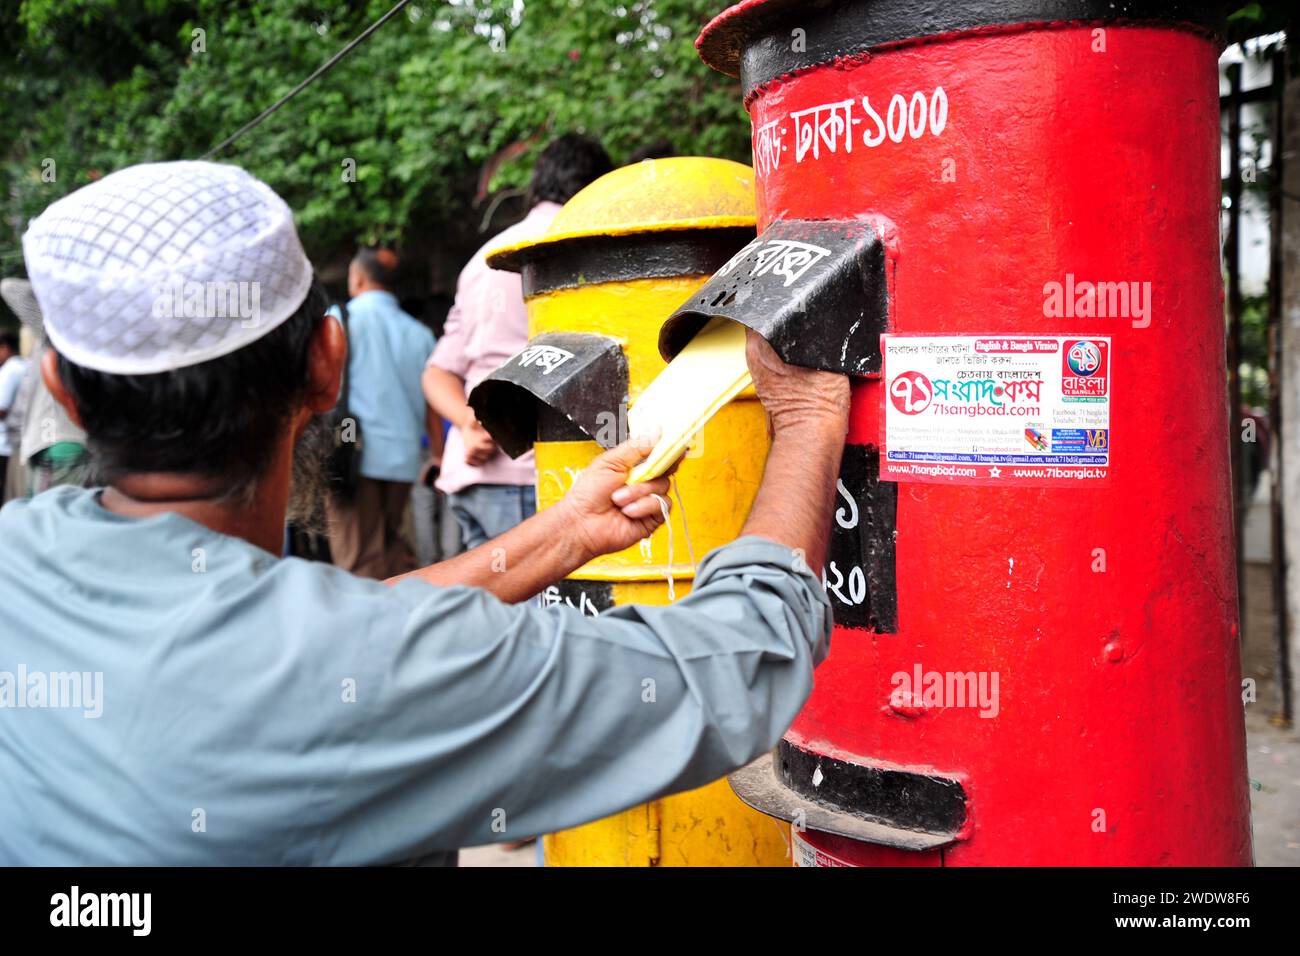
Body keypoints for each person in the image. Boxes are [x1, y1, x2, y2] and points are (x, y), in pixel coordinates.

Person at [0, 160, 848, 865]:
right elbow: (750, 659)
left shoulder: (19, 557)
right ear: (329, 364)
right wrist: (807, 417)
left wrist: (559, 534)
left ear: (61, 397)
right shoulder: (369, 676)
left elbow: (348, 633)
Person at [423, 134, 611, 549]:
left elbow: (438, 372)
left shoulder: (483, 258)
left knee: (487, 609)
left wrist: (469, 424)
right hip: (531, 477)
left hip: (471, 477)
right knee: (540, 610)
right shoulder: (583, 243)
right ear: (598, 186)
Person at [325, 247, 437, 579]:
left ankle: (366, 627)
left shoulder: (339, 319)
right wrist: (437, 455)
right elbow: (432, 400)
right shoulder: (419, 333)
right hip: (403, 459)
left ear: (357, 279)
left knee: (356, 558)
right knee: (392, 550)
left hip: (353, 455)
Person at [0, 278, 88, 500]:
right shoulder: (87, 334)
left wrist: (59, 284)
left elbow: (11, 288)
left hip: (55, 441)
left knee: (49, 523)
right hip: (63, 443)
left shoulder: (61, 332)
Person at [0, 330, 28, 493]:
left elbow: (1, 408)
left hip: (4, 444)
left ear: (4, 347)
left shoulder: (11, 370)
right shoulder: (23, 365)